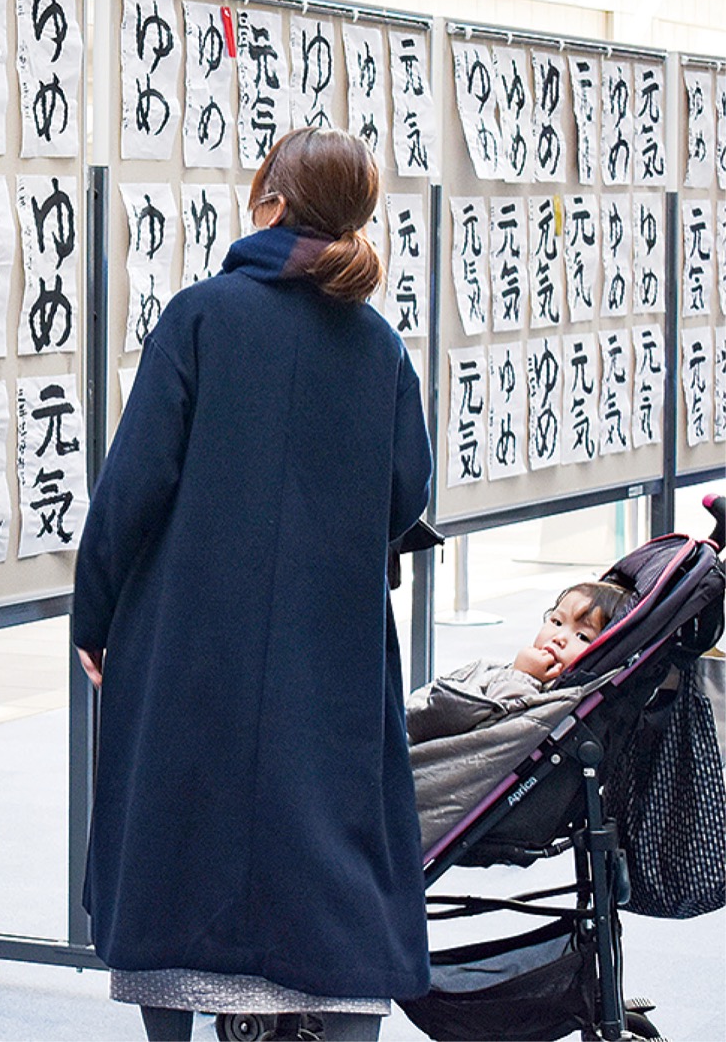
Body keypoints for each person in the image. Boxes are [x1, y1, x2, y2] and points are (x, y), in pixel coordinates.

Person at [73, 128, 434, 1042]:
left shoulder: (200, 316)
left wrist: (95, 613)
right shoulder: (378, 345)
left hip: (188, 635)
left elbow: (132, 486)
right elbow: (407, 493)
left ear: (268, 200)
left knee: (174, 841)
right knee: (334, 850)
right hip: (331, 639)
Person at [406, 580, 637, 747]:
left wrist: (524, 676)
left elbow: (499, 732)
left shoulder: (554, 696)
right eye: (556, 622)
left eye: (583, 636)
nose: (559, 637)